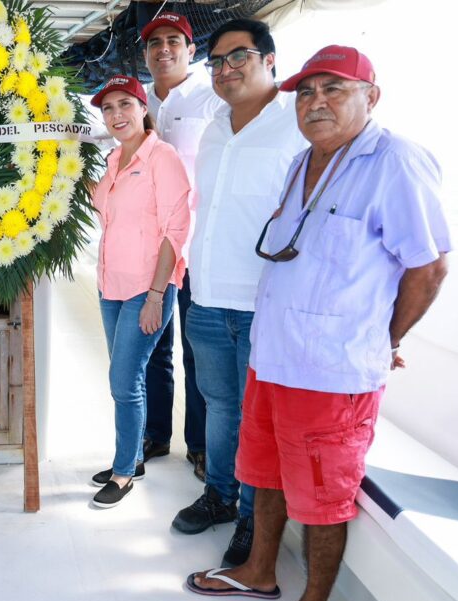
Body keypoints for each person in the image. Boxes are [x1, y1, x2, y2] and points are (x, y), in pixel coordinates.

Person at [186, 46, 450, 601]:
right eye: (306, 92)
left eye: (334, 88)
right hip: (274, 354)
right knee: (266, 471)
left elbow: (430, 265)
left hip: (332, 371)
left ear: (371, 96)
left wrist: (386, 340)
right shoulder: (306, 160)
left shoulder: (397, 163)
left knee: (324, 496)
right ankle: (258, 570)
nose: (316, 102)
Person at [172, 19, 307, 567]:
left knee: (259, 415)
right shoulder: (214, 127)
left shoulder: (296, 124)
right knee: (220, 406)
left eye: (238, 57)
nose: (225, 70)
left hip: (263, 302)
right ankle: (220, 495)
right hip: (206, 294)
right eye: (217, 62)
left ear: (269, 59)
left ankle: (254, 515)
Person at [88, 75, 191, 508]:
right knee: (128, 376)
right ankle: (135, 454)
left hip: (146, 289)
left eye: (125, 105)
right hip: (110, 284)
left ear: (142, 106)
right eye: (108, 108)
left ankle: (124, 472)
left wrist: (155, 294)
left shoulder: (162, 158)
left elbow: (175, 230)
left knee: (123, 379)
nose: (116, 115)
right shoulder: (113, 160)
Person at [139, 11, 222, 481]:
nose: (164, 50)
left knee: (197, 348)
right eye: (155, 43)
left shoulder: (214, 98)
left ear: (193, 51)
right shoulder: (138, 100)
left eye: (174, 41)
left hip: (194, 248)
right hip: (149, 250)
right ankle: (153, 435)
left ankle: (200, 445)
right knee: (152, 346)